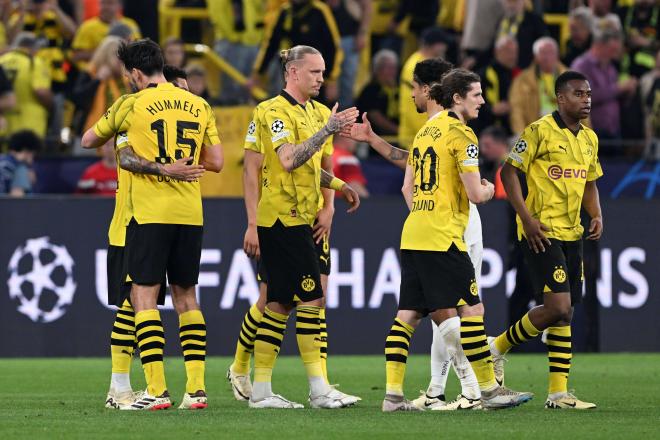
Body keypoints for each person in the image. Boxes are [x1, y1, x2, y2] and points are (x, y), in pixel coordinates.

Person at [346, 67, 533, 412]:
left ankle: (392, 396)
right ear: (458, 97)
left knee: (407, 315)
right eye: (476, 94)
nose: (483, 101)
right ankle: (489, 390)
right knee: (472, 309)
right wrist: (492, 189)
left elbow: (408, 186)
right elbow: (476, 193)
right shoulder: (462, 135)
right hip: (444, 235)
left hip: (414, 230)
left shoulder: (425, 131)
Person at [83, 39, 223, 411]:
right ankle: (195, 390)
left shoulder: (131, 103)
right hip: (190, 213)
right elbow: (218, 161)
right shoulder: (200, 104)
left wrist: (160, 165)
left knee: (140, 299)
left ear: (135, 73)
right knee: (187, 297)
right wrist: (183, 161)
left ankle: (156, 389)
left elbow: (89, 140)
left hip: (144, 213)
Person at [246, 45, 361, 409]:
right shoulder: (272, 111)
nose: (321, 79)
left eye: (323, 72)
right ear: (293, 73)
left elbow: (311, 166)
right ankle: (318, 389)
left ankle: (262, 391)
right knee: (312, 299)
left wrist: (338, 187)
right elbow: (288, 159)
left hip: (305, 216)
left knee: (279, 303)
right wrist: (329, 127)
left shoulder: (316, 112)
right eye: (314, 72)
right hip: (282, 217)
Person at [490, 70, 603, 410]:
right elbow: (508, 172)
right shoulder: (538, 131)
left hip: (573, 232)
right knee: (559, 307)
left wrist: (596, 214)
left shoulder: (589, 138)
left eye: (588, 94)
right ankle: (494, 349)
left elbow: (589, 182)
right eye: (579, 94)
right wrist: (526, 218)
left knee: (564, 315)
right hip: (541, 232)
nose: (586, 100)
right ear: (561, 98)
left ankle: (558, 394)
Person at [250, 0, 343, 102]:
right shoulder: (285, 11)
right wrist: (258, 73)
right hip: (293, 77)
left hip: (318, 79)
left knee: (319, 113)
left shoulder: (319, 10)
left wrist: (331, 79)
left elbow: (333, 47)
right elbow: (271, 44)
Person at [399, 27, 451, 147]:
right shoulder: (416, 66)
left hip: (423, 131)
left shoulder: (423, 62)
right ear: (433, 45)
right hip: (417, 133)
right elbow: (415, 104)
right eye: (442, 44)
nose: (445, 47)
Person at [0, 32, 52, 139]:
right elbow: (41, 91)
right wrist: (52, 105)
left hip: (5, 121)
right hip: (30, 123)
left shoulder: (2, 61)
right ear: (33, 47)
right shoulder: (34, 62)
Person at [510, 37, 566, 135]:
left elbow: (581, 108)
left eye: (550, 52)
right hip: (535, 132)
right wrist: (522, 135)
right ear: (535, 56)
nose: (547, 57)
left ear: (557, 55)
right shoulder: (522, 80)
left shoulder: (571, 79)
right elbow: (516, 109)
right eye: (543, 53)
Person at [71, 0, 141, 66]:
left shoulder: (130, 24)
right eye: (103, 3)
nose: (106, 7)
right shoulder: (87, 27)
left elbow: (139, 51)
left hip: (124, 74)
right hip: (94, 74)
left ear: (120, 6)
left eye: (110, 3)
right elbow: (76, 56)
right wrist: (107, 51)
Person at [355, 49, 399, 137]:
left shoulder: (398, 88)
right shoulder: (370, 91)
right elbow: (376, 118)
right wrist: (399, 130)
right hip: (370, 140)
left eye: (394, 67)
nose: (392, 72)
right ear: (378, 69)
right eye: (389, 68)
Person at [0, 130, 41, 196]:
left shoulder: (3, 159)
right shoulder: (20, 169)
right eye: (33, 154)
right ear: (27, 151)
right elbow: (18, 198)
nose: (32, 159)